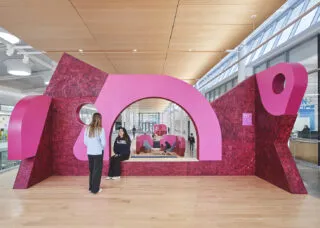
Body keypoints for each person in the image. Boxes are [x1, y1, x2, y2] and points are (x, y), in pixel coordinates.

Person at [84, 113, 105, 194]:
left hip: (89, 152)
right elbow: (103, 143)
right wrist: (100, 148)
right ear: (100, 119)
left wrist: (91, 147)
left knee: (92, 170)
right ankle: (95, 189)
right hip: (98, 153)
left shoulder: (87, 129)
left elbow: (85, 142)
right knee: (97, 171)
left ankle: (91, 188)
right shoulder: (100, 129)